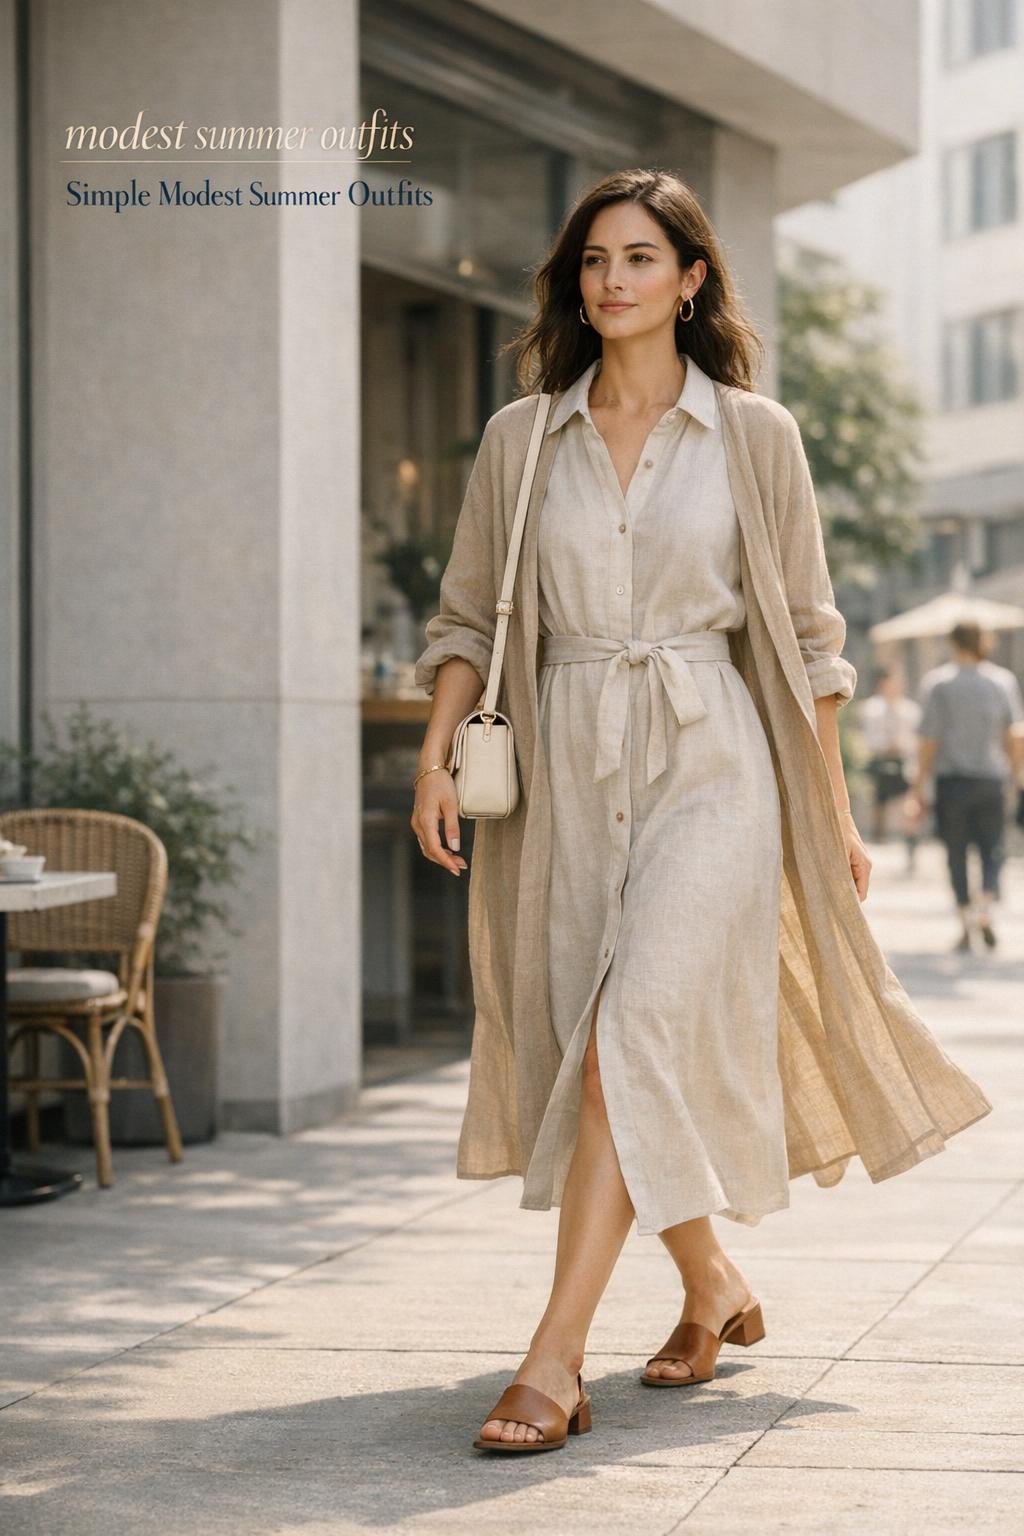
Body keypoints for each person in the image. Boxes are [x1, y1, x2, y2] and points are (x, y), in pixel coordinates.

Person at [410, 169, 991, 1454]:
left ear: (689, 279)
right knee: (601, 1043)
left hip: (714, 763)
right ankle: (712, 1288)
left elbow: (805, 638)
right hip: (562, 762)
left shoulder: (754, 435)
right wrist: (436, 756)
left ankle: (552, 1359)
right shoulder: (522, 438)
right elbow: (467, 614)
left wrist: (827, 811)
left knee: (632, 1035)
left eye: (638, 256)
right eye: (591, 261)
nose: (609, 279)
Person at [907, 621, 1024, 952]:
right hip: (991, 780)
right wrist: (1015, 776)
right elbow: (1016, 735)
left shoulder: (938, 683)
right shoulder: (1002, 681)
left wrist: (918, 788)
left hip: (951, 782)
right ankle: (985, 905)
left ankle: (964, 920)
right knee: (993, 849)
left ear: (953, 643)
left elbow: (928, 741)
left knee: (956, 853)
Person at [859, 665, 922, 862]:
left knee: (909, 802)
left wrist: (901, 745)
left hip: (904, 761)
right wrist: (885, 745)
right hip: (881, 759)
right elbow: (869, 737)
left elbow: (916, 738)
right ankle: (877, 842)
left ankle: (910, 841)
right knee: (879, 802)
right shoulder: (871, 709)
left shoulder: (910, 710)